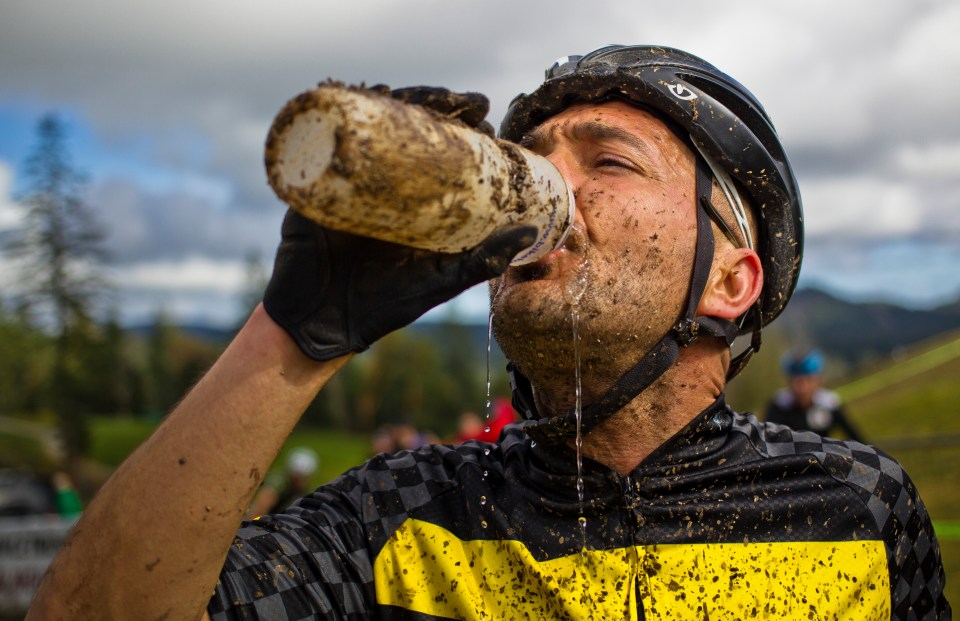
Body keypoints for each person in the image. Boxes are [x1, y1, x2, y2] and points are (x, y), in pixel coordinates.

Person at [26, 45, 949, 620]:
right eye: (535, 160)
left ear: (729, 279)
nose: (548, 186)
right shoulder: (402, 517)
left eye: (608, 160)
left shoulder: (859, 504)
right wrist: (291, 337)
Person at [765, 349, 865, 441]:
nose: (802, 388)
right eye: (796, 381)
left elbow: (855, 437)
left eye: (808, 380)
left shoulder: (828, 403)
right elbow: (766, 440)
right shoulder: (779, 405)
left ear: (818, 380)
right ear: (788, 381)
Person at [245, 447, 319, 518]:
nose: (297, 481)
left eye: (301, 478)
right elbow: (258, 510)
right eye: (295, 477)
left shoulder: (307, 493)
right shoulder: (277, 485)